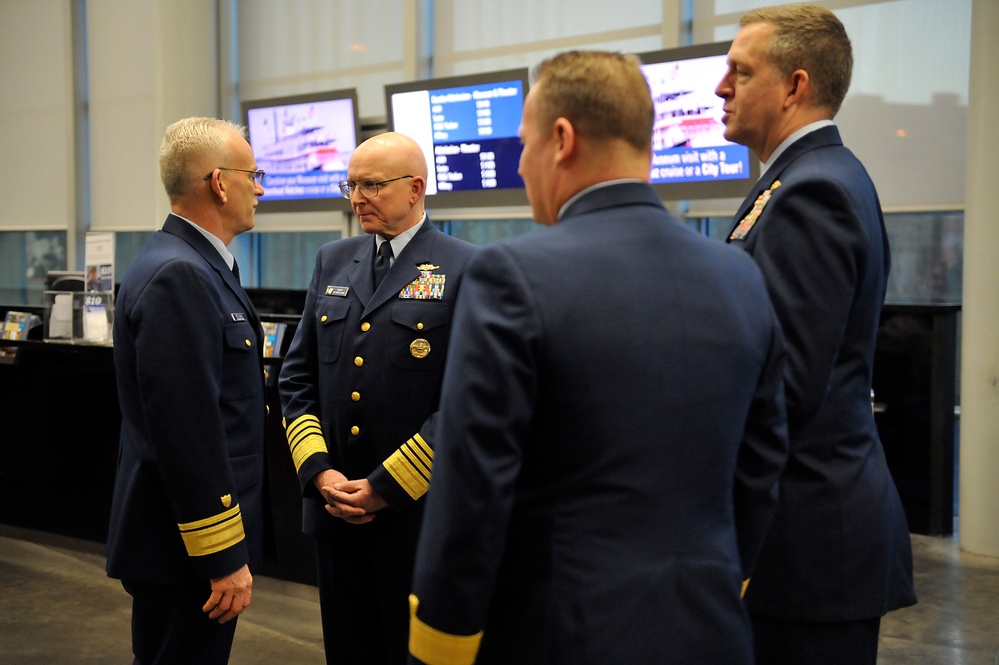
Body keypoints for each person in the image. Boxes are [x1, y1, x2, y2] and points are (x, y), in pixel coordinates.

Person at [407, 50, 790, 665]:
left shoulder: (515, 275)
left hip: (561, 635)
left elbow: (474, 486)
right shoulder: (738, 276)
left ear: (561, 139)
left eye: (525, 143)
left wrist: (441, 647)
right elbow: (761, 466)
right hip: (710, 629)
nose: (522, 164)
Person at [715, 4, 917, 664]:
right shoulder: (796, 178)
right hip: (795, 531)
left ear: (794, 86)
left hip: (806, 539)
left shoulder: (813, 189)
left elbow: (785, 381)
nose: (721, 87)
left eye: (739, 72)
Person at [277, 131, 478, 665]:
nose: (358, 198)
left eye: (371, 185)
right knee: (347, 650)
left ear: (415, 188)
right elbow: (297, 380)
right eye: (351, 186)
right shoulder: (332, 259)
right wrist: (321, 473)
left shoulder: (466, 267)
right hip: (335, 508)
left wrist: (386, 487)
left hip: (415, 514)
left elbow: (468, 399)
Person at [106, 116, 271, 664]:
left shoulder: (190, 264)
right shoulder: (181, 275)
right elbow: (188, 434)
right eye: (254, 174)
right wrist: (222, 555)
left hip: (182, 542)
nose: (261, 188)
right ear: (220, 183)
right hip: (187, 550)